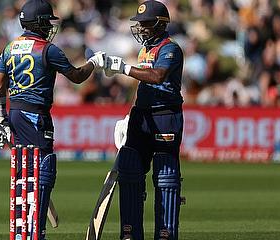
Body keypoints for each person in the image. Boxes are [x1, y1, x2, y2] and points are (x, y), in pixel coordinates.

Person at [0, 0, 105, 239]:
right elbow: (77, 76)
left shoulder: (10, 47)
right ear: (39, 23)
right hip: (36, 116)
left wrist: (0, 118)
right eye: (48, 22)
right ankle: (36, 230)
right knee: (44, 167)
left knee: (24, 171)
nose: (50, 27)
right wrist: (95, 62)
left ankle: (26, 231)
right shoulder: (47, 49)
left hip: (16, 113)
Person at [106, 1, 185, 239]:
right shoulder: (145, 50)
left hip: (164, 117)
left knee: (165, 177)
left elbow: (157, 76)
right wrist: (131, 113)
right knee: (129, 171)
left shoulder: (170, 49)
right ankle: (130, 234)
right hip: (141, 118)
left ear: (161, 24)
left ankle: (165, 234)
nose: (141, 28)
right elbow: (143, 85)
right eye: (139, 24)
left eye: (146, 24)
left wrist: (123, 68)